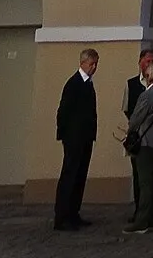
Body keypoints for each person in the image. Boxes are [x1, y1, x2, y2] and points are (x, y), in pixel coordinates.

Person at [52, 49, 99, 231]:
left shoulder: (87, 84)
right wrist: (65, 136)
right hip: (74, 139)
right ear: (83, 63)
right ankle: (62, 215)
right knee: (69, 176)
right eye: (91, 64)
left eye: (96, 64)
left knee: (80, 176)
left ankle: (73, 213)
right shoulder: (73, 84)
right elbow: (63, 112)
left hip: (85, 138)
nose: (94, 67)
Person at [123, 59, 153, 233]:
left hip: (146, 141)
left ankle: (142, 220)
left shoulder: (147, 95)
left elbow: (136, 119)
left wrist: (130, 131)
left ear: (151, 75)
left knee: (145, 182)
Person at [123, 49, 153, 218]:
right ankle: (138, 209)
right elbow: (126, 109)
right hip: (137, 136)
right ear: (140, 62)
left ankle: (150, 210)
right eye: (146, 61)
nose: (148, 65)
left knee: (151, 174)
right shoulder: (131, 84)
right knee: (137, 174)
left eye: (152, 62)